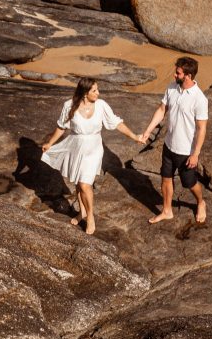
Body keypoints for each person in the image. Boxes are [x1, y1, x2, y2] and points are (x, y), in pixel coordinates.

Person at [41, 77, 142, 235]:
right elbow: (61, 126)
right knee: (79, 182)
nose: (98, 93)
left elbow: (116, 123)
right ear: (85, 93)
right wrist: (50, 143)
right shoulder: (69, 106)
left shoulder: (101, 105)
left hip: (94, 147)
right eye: (94, 90)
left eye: (97, 90)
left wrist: (134, 136)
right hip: (76, 145)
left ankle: (90, 218)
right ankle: (82, 211)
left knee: (85, 184)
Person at [138, 56, 209, 224]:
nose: (174, 76)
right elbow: (162, 110)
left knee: (190, 184)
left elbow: (201, 128)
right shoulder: (172, 88)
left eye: (178, 73)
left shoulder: (199, 99)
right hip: (169, 146)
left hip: (186, 152)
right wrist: (148, 131)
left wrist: (195, 154)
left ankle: (200, 202)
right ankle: (167, 210)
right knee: (165, 178)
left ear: (188, 76)